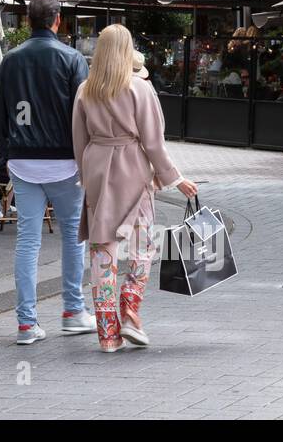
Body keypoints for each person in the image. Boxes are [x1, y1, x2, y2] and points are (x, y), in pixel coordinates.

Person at [73, 23, 198, 353]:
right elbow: (154, 143)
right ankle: (130, 308)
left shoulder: (86, 90)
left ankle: (108, 335)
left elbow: (78, 141)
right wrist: (175, 178)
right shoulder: (140, 89)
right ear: (128, 51)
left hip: (98, 167)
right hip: (134, 168)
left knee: (103, 250)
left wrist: (86, 175)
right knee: (143, 246)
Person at [0, 0, 95, 345]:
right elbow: (85, 115)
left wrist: (10, 154)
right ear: (58, 20)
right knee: (72, 238)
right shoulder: (72, 58)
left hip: (23, 160)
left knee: (27, 243)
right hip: (65, 161)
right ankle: (73, 311)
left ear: (26, 21)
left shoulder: (10, 60)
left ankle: (26, 323)